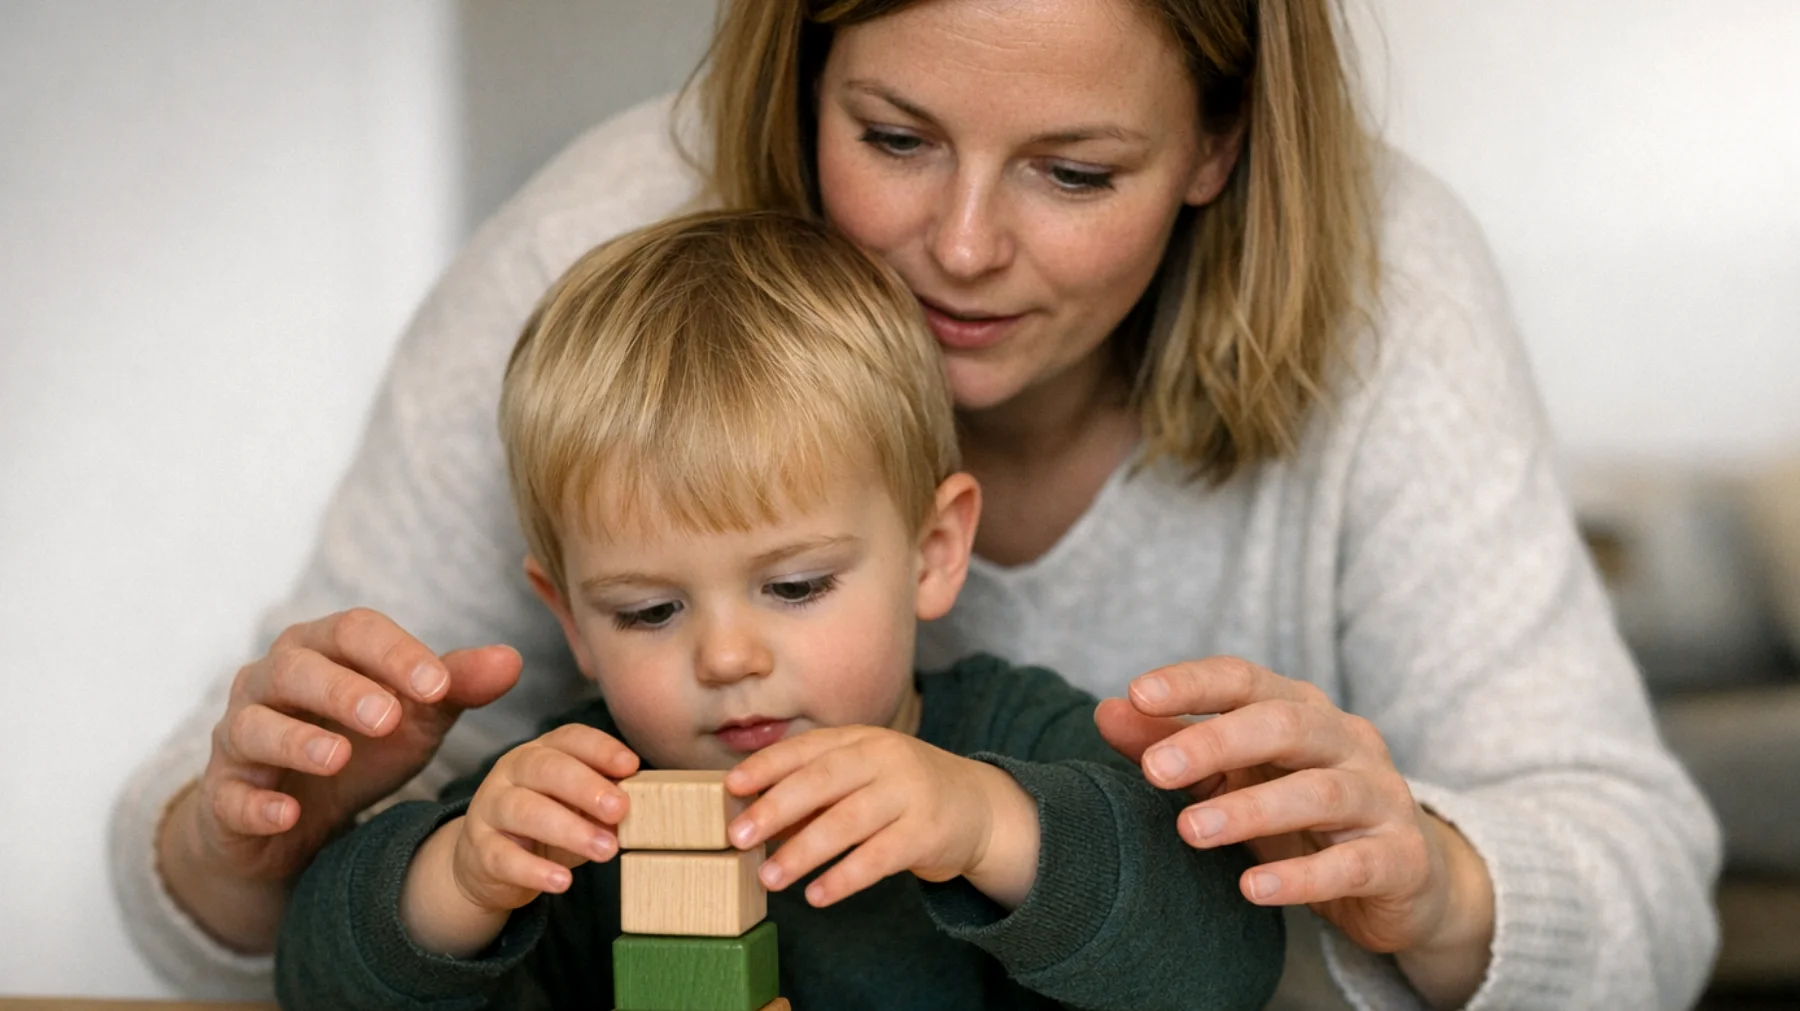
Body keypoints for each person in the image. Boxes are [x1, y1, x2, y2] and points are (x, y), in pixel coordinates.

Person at [113, 1, 1722, 1008]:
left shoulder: (1016, 726)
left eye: (1074, 170)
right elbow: (267, 932)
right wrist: (346, 844)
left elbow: (1604, 895)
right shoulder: (602, 284)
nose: (958, 247)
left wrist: (1434, 880)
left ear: (1219, 142)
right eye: (891, 136)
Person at [272, 209, 1285, 1010]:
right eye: (648, 611)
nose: (726, 656)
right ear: (570, 618)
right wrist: (457, 881)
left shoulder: (1016, 743)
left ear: (934, 555)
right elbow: (311, 979)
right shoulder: (571, 807)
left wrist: (982, 825)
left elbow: (1228, 964)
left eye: (795, 588)